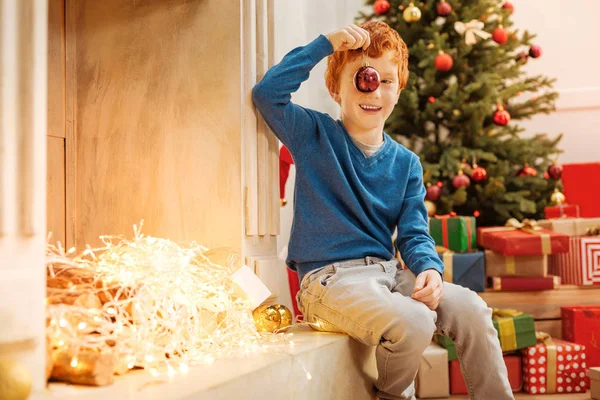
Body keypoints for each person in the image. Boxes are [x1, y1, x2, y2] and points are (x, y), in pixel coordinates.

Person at [252, 21, 514, 400]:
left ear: (398, 90)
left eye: (386, 80)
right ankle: (392, 396)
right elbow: (268, 94)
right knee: (414, 320)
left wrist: (428, 269)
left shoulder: (406, 164)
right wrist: (325, 45)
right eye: (362, 76)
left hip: (388, 273)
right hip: (328, 282)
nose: (372, 88)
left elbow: (413, 233)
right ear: (335, 88)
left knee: (472, 308)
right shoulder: (313, 134)